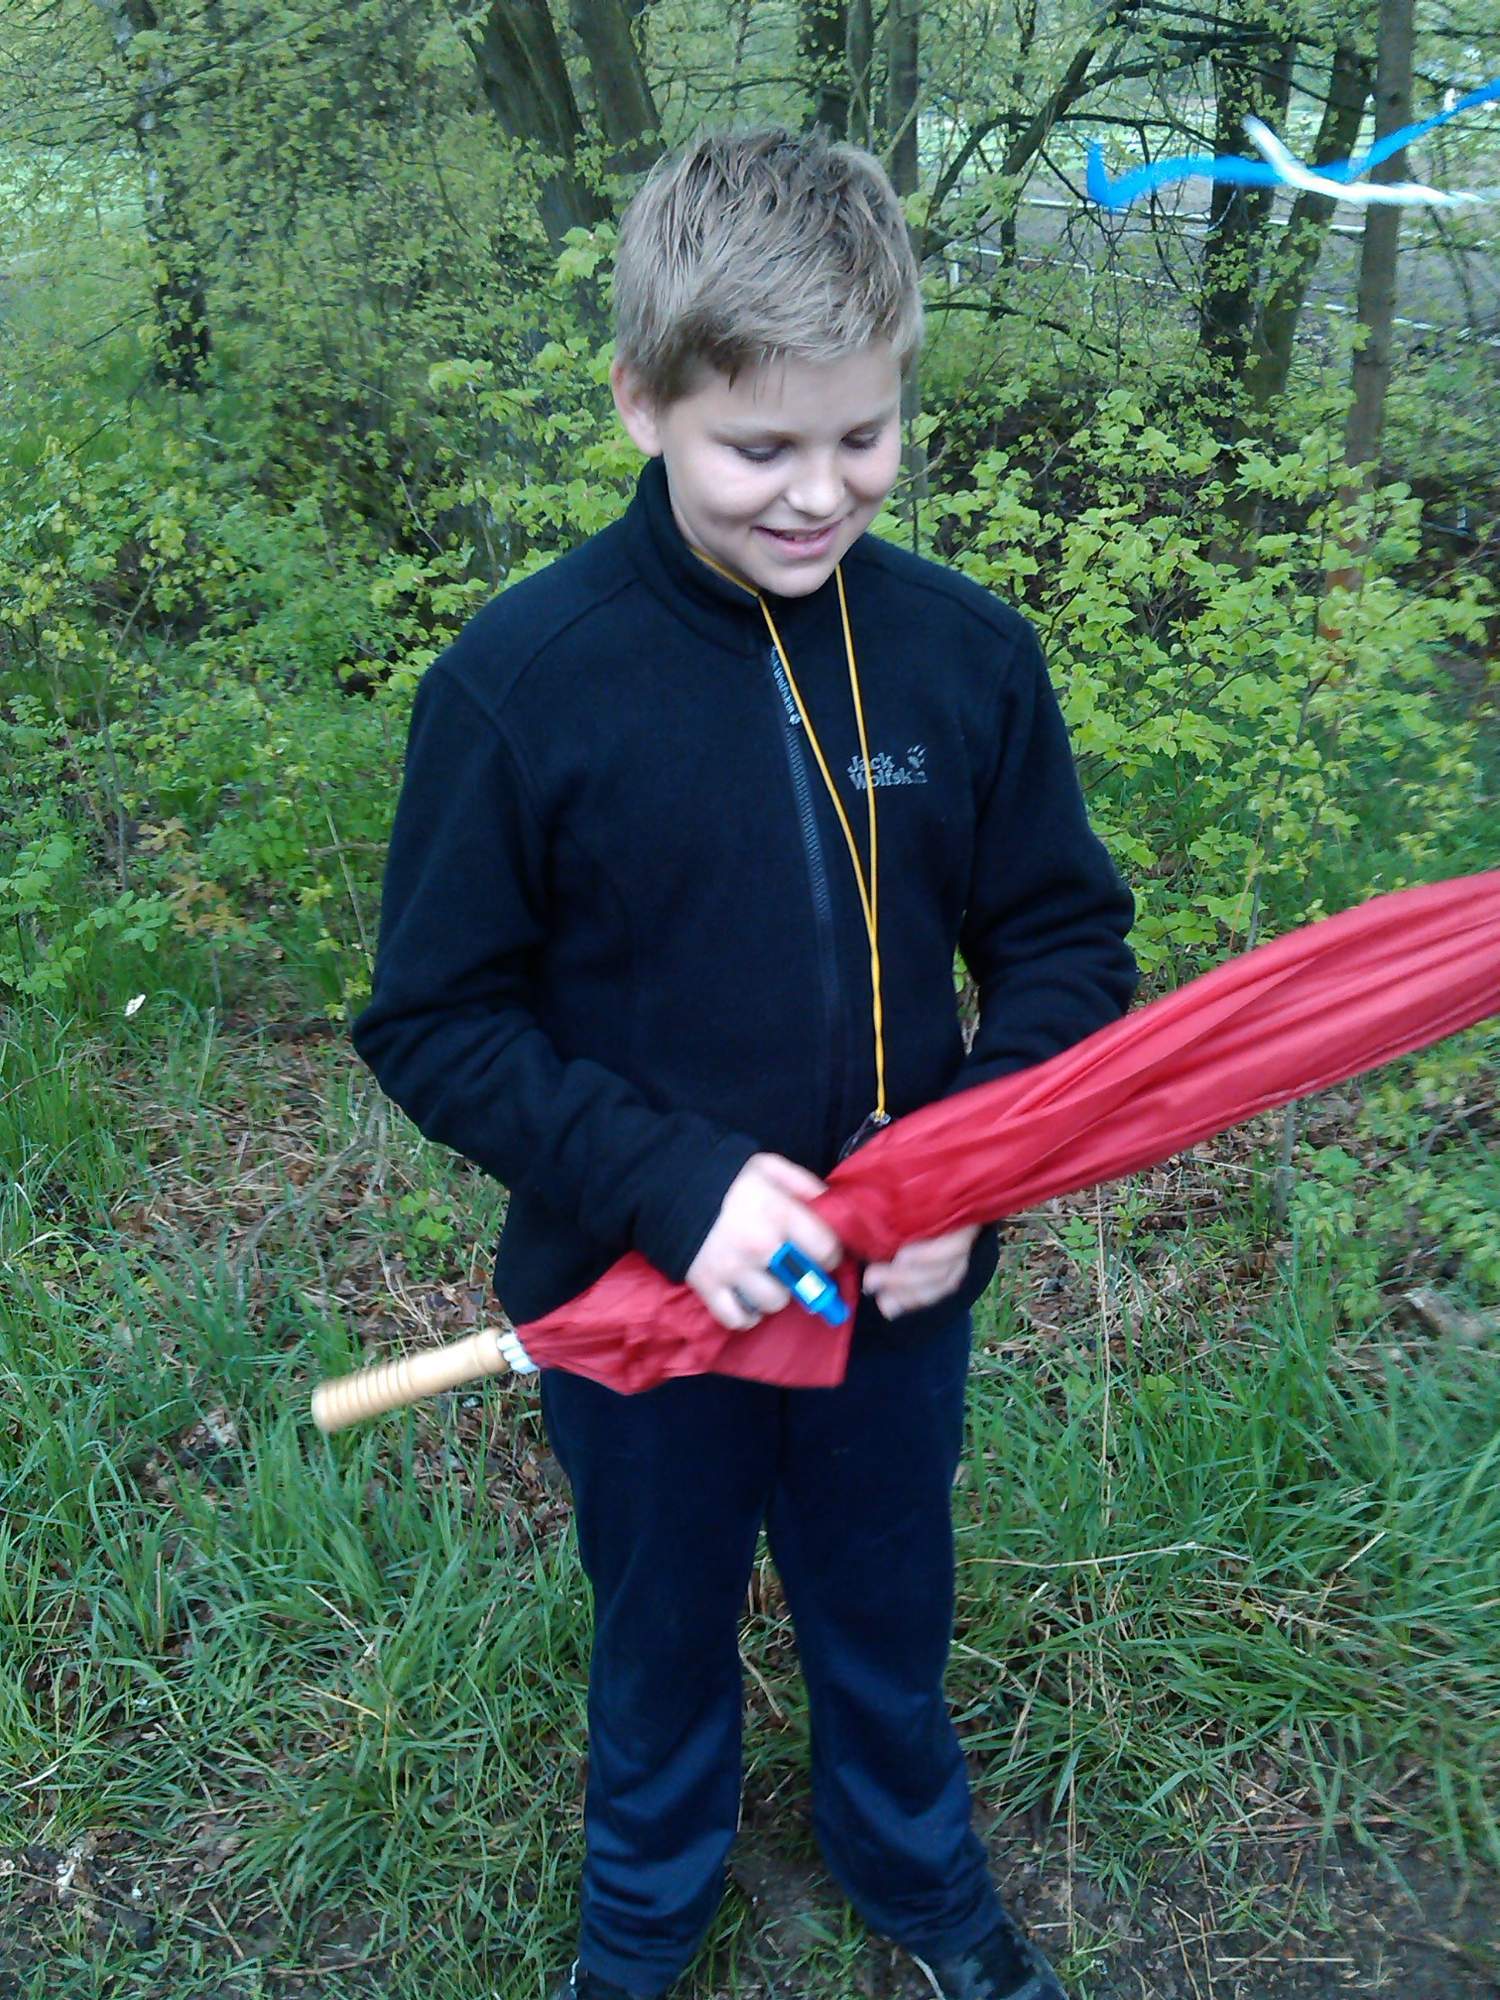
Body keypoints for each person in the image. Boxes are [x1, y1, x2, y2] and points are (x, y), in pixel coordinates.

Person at [352, 127, 1136, 2000]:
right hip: (638, 1303)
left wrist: (971, 1164)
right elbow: (433, 1020)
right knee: (661, 1624)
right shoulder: (524, 682)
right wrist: (672, 1185)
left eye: (864, 437)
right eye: (760, 447)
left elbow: (1065, 945)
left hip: (897, 1297)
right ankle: (645, 1911)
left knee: (887, 1599)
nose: (818, 494)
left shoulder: (965, 658)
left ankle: (914, 1866)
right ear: (644, 400)